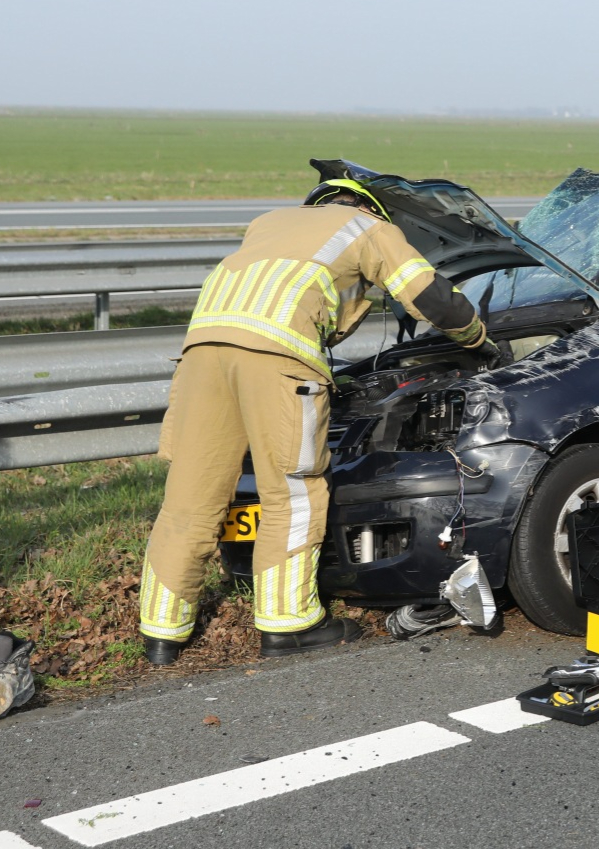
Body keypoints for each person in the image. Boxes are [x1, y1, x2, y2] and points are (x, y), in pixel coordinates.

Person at [137, 176, 492, 665]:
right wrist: (476, 338)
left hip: (201, 353)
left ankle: (161, 634)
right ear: (369, 208)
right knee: (294, 491)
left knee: (189, 497)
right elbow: (427, 294)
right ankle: (289, 626)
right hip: (279, 358)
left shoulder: (269, 223)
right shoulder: (367, 227)